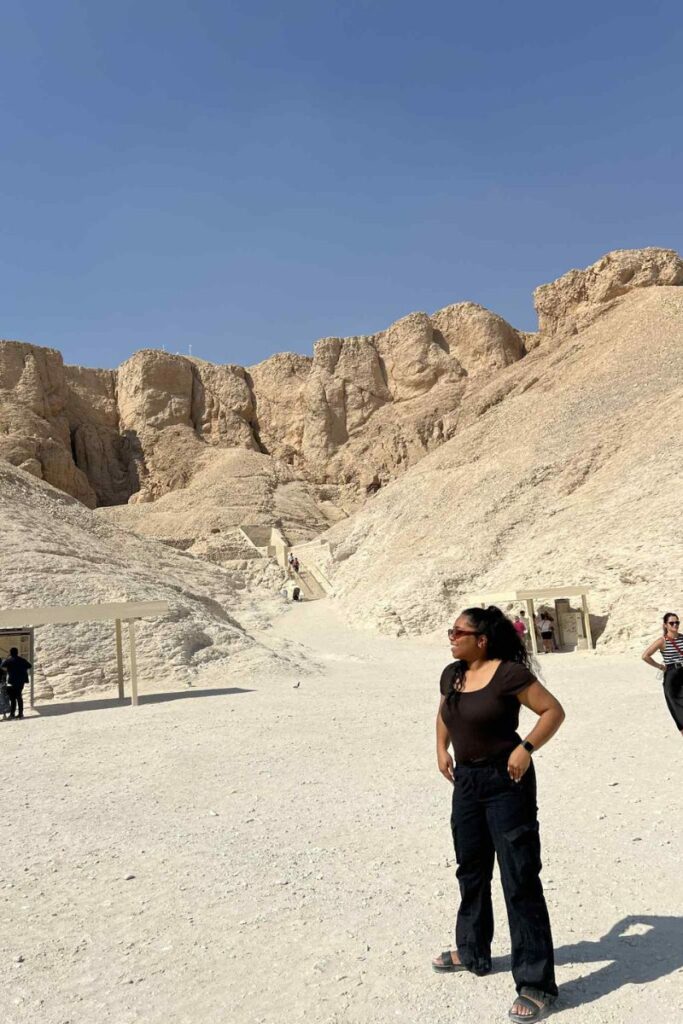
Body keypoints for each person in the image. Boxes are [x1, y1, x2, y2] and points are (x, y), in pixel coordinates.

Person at [433, 605, 565, 1022]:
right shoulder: (452, 674)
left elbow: (553, 711)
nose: (451, 636)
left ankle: (536, 983)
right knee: (471, 869)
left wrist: (526, 749)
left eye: (458, 632)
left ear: (481, 640)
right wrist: (441, 749)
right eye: (451, 630)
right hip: (467, 784)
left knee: (519, 878)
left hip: (507, 781)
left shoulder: (508, 674)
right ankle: (472, 950)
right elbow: (444, 712)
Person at [641, 612, 683, 737]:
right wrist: (659, 666)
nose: (675, 625)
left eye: (677, 622)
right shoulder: (662, 641)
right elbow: (645, 656)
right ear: (665, 625)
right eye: (672, 623)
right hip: (672, 676)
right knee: (678, 709)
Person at [1, 647, 32, 720]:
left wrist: (8, 667)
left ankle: (12, 714)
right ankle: (20, 714)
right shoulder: (22, 660)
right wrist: (22, 669)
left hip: (12, 681)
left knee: (12, 698)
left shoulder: (9, 660)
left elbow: (2, 666)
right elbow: (29, 666)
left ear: (10, 653)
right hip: (21, 681)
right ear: (17, 652)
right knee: (19, 697)